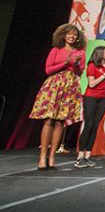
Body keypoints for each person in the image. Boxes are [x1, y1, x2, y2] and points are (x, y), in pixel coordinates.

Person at [29, 24, 86, 170]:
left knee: (61, 121)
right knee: (49, 119)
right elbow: (48, 69)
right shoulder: (56, 50)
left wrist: (77, 65)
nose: (72, 37)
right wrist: (65, 63)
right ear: (63, 35)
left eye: (74, 35)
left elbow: (80, 72)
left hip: (70, 85)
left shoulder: (80, 52)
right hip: (55, 85)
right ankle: (42, 156)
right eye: (69, 34)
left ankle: (53, 156)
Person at [75, 46, 105, 168]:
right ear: (100, 54)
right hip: (91, 97)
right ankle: (80, 156)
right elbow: (91, 84)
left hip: (103, 98)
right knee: (88, 125)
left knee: (95, 126)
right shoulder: (92, 66)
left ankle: (88, 156)